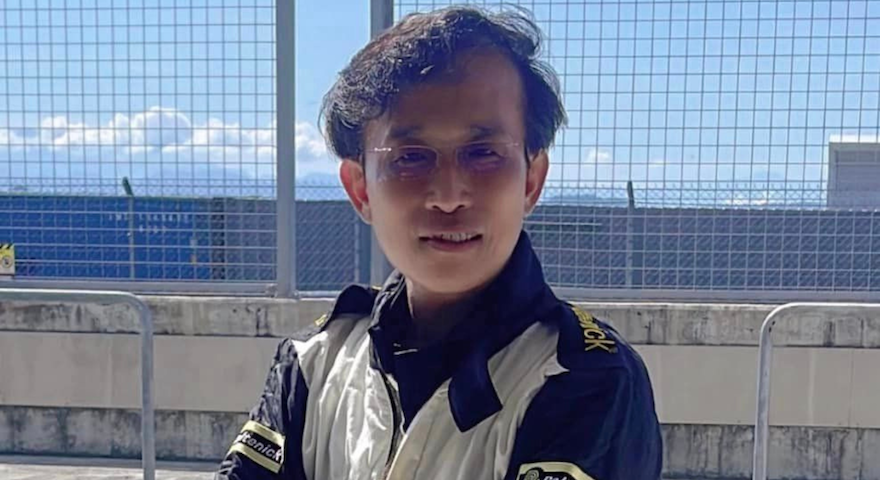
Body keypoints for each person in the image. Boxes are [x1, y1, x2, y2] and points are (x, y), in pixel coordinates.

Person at [216, 6, 662, 480]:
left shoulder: (585, 378)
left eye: (484, 153)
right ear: (360, 189)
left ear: (531, 181)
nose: (449, 196)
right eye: (410, 157)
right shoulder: (315, 361)